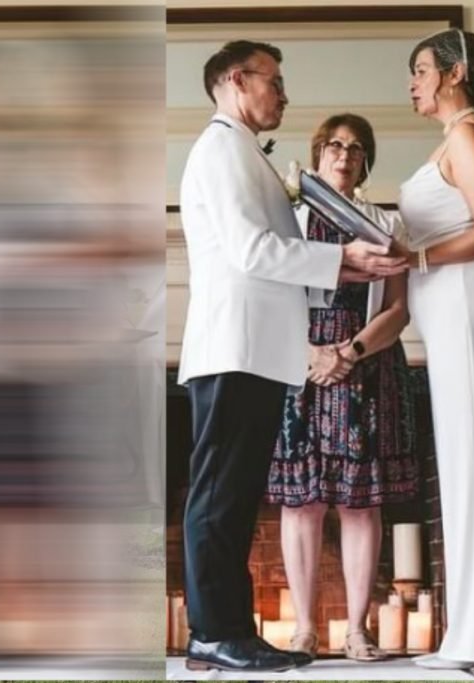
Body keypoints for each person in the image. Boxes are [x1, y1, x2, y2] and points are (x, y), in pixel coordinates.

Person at [177, 41, 407, 673]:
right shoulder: (222, 148)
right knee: (219, 494)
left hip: (257, 350)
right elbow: (252, 250)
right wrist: (344, 260)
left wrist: (354, 269)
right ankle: (212, 633)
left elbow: (269, 253)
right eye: (274, 82)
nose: (283, 95)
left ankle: (229, 632)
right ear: (234, 80)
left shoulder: (243, 151)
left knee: (236, 495)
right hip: (233, 346)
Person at [265, 114, 419, 661]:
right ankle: (304, 630)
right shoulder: (288, 220)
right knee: (301, 504)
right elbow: (267, 297)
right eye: (335, 144)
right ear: (317, 152)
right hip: (298, 365)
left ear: (365, 161)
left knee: (360, 504)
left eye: (357, 148)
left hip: (367, 364)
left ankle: (356, 630)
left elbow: (399, 311)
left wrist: (347, 354)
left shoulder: (385, 223)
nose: (345, 154)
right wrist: (310, 354)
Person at [396, 28, 474, 669]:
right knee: (466, 464)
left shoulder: (471, 137)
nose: (413, 81)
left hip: (472, 312)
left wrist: (415, 254)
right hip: (452, 317)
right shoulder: (455, 139)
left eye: (421, 69)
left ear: (455, 72)